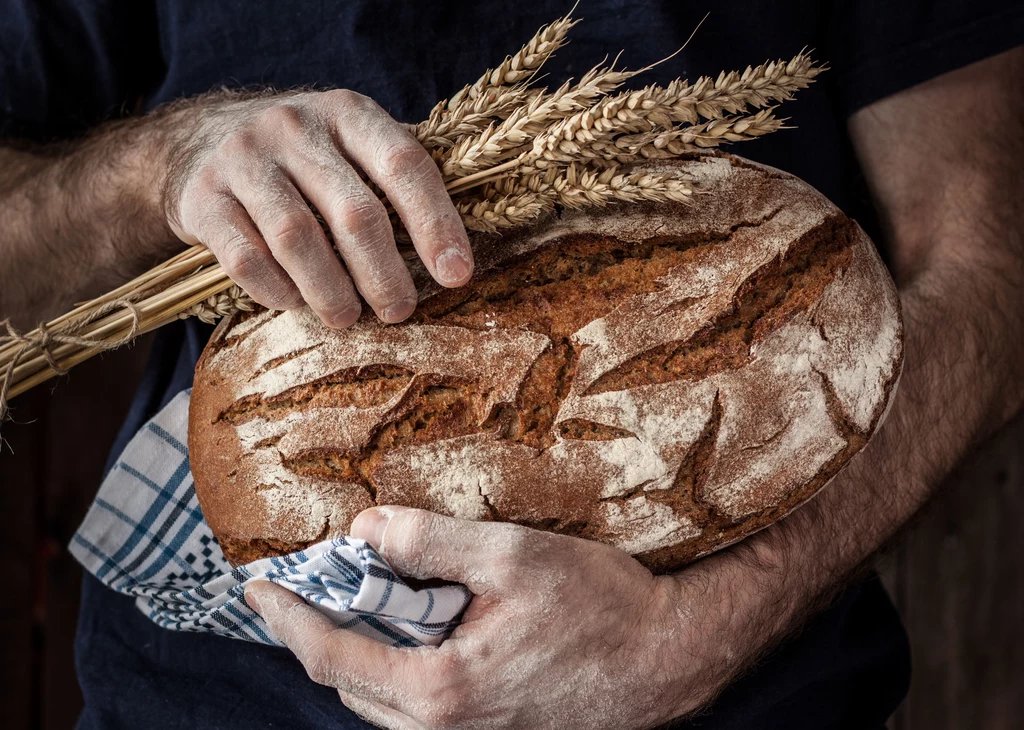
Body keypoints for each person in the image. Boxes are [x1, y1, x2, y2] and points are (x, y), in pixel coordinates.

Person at [1, 2, 1022, 728]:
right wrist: (155, 170)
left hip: (743, 697)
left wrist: (706, 630)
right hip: (204, 703)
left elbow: (989, 273)